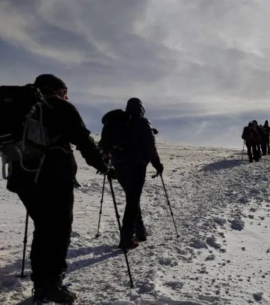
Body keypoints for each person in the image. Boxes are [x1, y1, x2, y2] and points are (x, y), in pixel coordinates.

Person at [6, 74, 112, 304]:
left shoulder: (22, 107)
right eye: (66, 89)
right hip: (53, 177)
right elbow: (84, 141)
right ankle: (50, 286)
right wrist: (103, 166)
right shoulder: (59, 105)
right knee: (58, 230)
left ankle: (43, 282)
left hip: (23, 178)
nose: (67, 94)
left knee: (44, 228)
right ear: (58, 88)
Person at [101, 98, 163, 251]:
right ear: (141, 109)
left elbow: (104, 143)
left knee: (132, 198)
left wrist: (106, 162)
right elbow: (150, 145)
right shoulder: (142, 122)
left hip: (118, 165)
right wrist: (157, 164)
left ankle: (140, 233)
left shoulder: (115, 122)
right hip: (136, 165)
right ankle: (127, 239)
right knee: (132, 201)